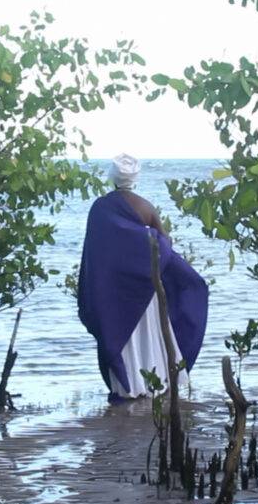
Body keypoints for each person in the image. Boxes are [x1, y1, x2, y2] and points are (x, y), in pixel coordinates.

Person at [77, 153, 208, 401]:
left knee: (126, 338)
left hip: (114, 292)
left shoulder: (100, 208)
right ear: (135, 178)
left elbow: (95, 252)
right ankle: (155, 385)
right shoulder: (146, 207)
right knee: (149, 334)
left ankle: (128, 388)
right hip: (146, 290)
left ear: (112, 177)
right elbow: (164, 243)